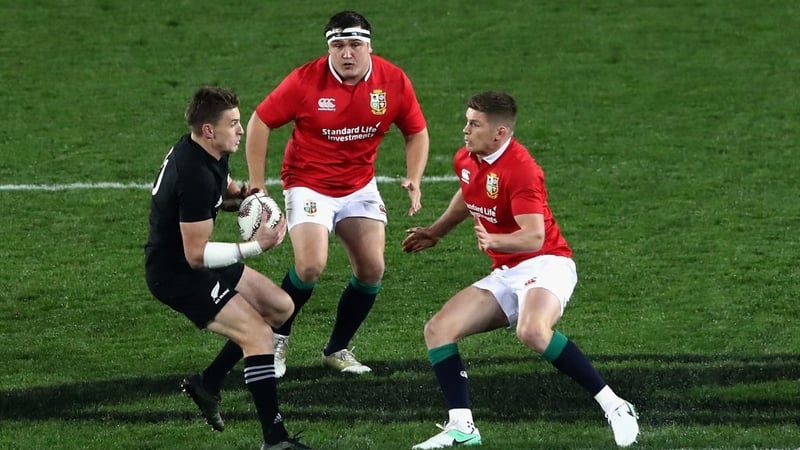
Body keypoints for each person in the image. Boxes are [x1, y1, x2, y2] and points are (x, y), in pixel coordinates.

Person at [402, 91, 640, 449]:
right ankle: (462, 428)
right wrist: (436, 232)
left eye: (474, 124)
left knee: (531, 331)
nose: (465, 130)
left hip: (547, 264)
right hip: (508, 270)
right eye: (467, 121)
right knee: (439, 329)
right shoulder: (467, 158)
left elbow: (533, 237)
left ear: (499, 132)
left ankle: (616, 406)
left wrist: (496, 242)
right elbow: (468, 195)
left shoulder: (521, 169)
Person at [245, 10, 429, 377]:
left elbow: (416, 131)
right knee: (310, 266)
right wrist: (258, 184)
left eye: (355, 45)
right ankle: (276, 337)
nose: (347, 53)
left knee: (373, 269)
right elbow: (260, 121)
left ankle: (337, 349)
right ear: (329, 48)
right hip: (308, 181)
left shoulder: (392, 80)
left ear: (369, 47)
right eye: (339, 46)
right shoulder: (305, 81)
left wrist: (415, 176)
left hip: (359, 183)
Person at [144, 86, 311, 450]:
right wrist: (256, 245)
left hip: (196, 260)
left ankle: (208, 383)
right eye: (234, 124)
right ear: (209, 129)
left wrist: (245, 197)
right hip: (177, 275)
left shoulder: (207, 152)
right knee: (257, 335)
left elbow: (223, 190)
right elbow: (195, 256)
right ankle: (275, 439)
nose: (241, 130)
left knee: (281, 307)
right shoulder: (194, 175)